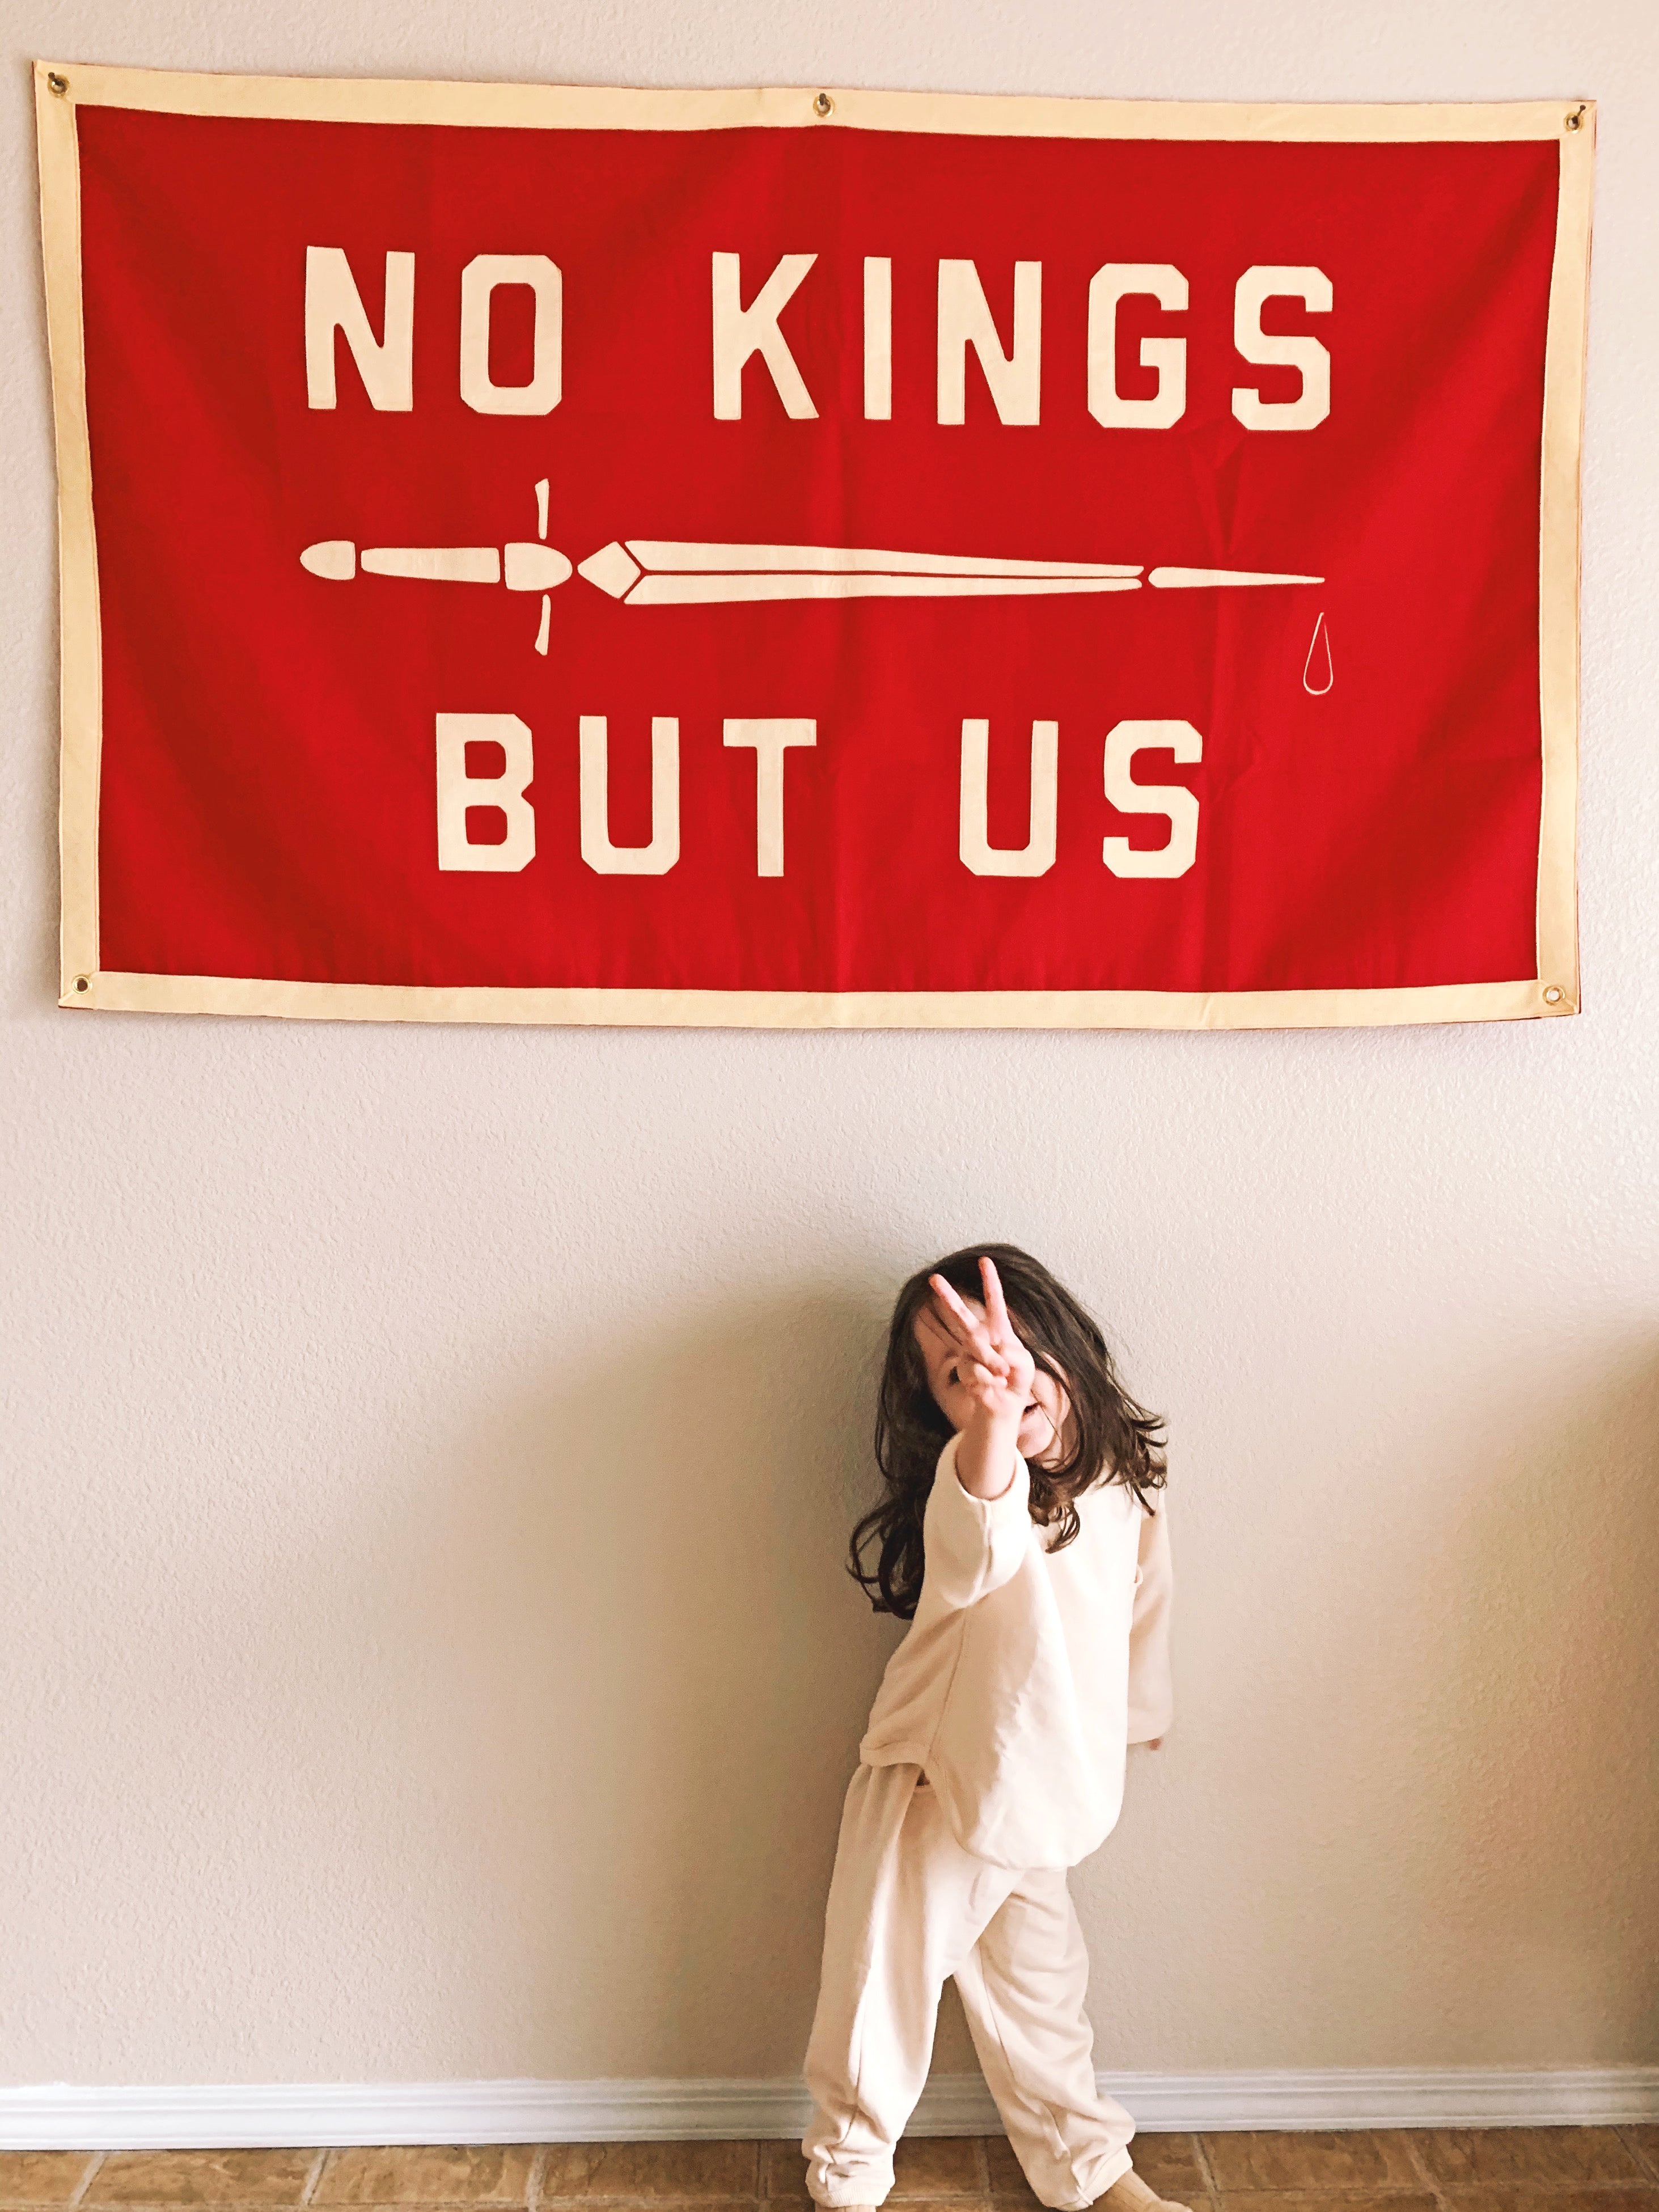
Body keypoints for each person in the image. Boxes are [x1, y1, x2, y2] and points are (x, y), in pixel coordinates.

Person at [800, 1244, 1182, 2212]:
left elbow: (1143, 1607)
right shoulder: (979, 1485)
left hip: (1041, 1794)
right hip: (936, 1784)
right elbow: (975, 1544)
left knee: (1043, 1997)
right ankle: (847, 2175)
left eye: (1008, 1351)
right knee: (877, 1997)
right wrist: (993, 1428)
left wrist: (1142, 1711)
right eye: (957, 1375)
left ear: (1063, 1346)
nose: (991, 1377)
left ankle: (1089, 2165)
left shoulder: (1125, 1488)